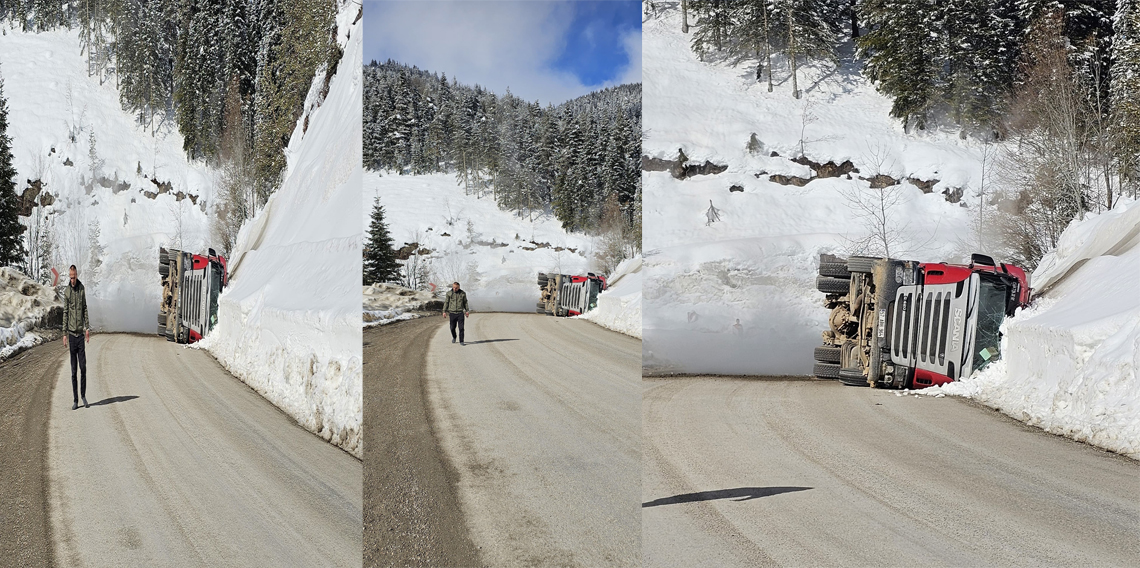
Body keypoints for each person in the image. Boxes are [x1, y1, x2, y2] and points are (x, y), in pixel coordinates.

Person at [61, 265, 90, 410]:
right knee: (73, 371)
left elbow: (85, 308)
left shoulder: (81, 289)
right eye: (70, 277)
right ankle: (75, 399)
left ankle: (83, 396)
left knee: (83, 368)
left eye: (74, 277)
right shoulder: (67, 292)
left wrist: (87, 328)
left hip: (80, 336)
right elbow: (65, 313)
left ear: (77, 275)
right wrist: (64, 334)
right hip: (72, 336)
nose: (72, 280)